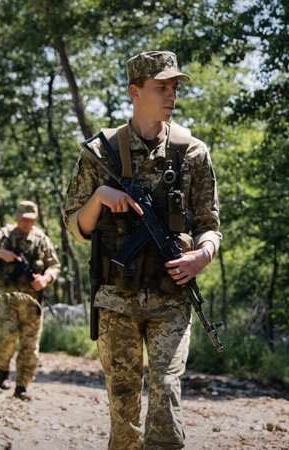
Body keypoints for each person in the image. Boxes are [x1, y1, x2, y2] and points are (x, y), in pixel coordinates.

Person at [63, 50, 221, 449]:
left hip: (171, 297)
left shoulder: (192, 153)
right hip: (117, 298)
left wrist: (202, 255)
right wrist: (100, 196)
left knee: (166, 394)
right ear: (135, 92)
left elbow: (209, 226)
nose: (171, 96)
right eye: (161, 88)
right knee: (124, 403)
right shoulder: (101, 154)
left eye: (174, 88)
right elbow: (76, 227)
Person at [0, 200, 60, 400]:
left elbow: (54, 266)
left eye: (31, 220)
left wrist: (45, 279)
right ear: (17, 217)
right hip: (7, 298)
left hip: (32, 302)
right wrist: (0, 254)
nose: (27, 223)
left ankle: (22, 385)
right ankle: (3, 367)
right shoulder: (5, 235)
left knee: (30, 345)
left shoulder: (41, 239)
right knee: (8, 335)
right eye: (24, 219)